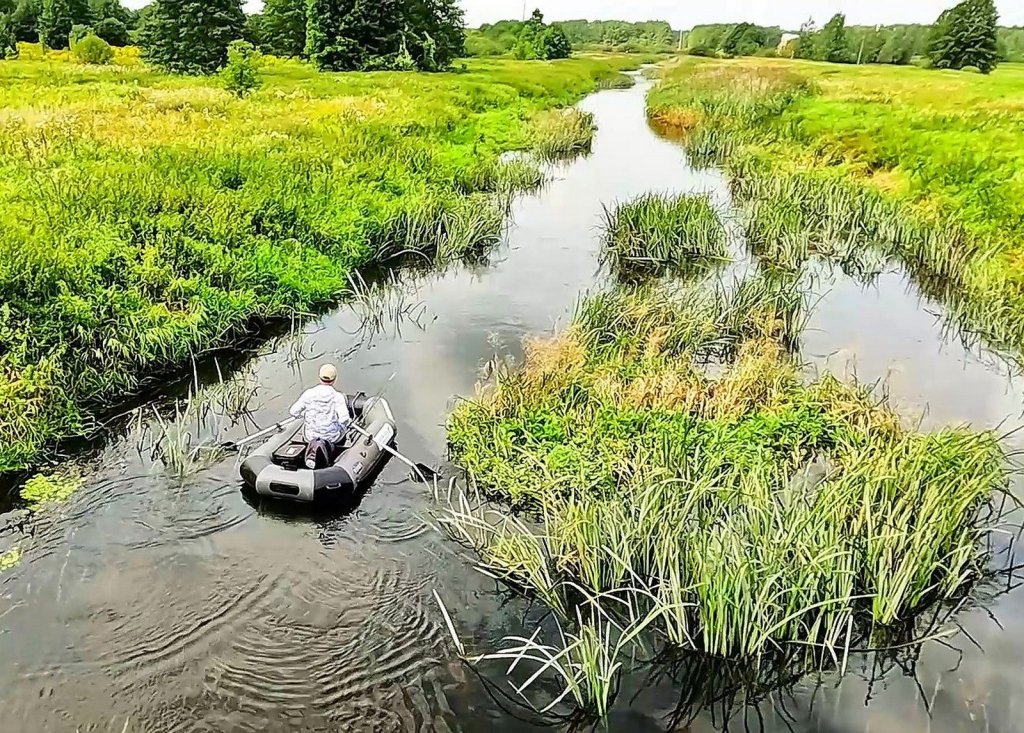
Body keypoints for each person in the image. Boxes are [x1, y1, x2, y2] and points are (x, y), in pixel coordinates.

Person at [289, 364, 352, 469]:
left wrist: (303, 414)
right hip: (332, 437)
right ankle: (325, 450)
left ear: (319, 377)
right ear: (334, 379)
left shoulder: (308, 393)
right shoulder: (337, 397)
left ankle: (314, 449)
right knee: (343, 426)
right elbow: (344, 419)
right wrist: (349, 422)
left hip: (310, 436)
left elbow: (293, 412)